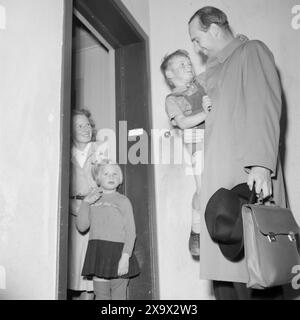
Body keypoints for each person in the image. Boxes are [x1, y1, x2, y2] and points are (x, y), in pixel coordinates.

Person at [188, 6, 286, 299]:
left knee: (254, 275)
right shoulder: (214, 71)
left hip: (246, 181)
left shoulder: (251, 51)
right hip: (221, 188)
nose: (195, 46)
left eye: (196, 38)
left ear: (215, 29)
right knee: (226, 283)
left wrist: (260, 165)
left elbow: (264, 107)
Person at [160, 49, 212, 256]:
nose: (188, 65)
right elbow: (182, 122)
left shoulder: (202, 82)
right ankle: (196, 230)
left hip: (218, 139)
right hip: (198, 144)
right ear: (169, 75)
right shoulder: (172, 99)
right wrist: (205, 113)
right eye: (181, 64)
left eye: (188, 62)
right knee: (203, 189)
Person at [76, 161, 140, 300]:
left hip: (118, 254)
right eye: (106, 174)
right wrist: (86, 202)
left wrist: (125, 257)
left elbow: (130, 231)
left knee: (118, 297)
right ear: (98, 179)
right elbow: (82, 226)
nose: (111, 177)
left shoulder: (123, 201)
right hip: (98, 253)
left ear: (120, 179)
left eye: (115, 174)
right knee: (101, 297)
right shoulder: (92, 200)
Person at [68, 108, 109, 300]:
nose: (86, 129)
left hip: (96, 214)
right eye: (79, 126)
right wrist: (71, 206)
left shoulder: (101, 149)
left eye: (87, 125)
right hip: (71, 219)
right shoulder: (64, 152)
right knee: (73, 276)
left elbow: (111, 180)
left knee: (91, 281)